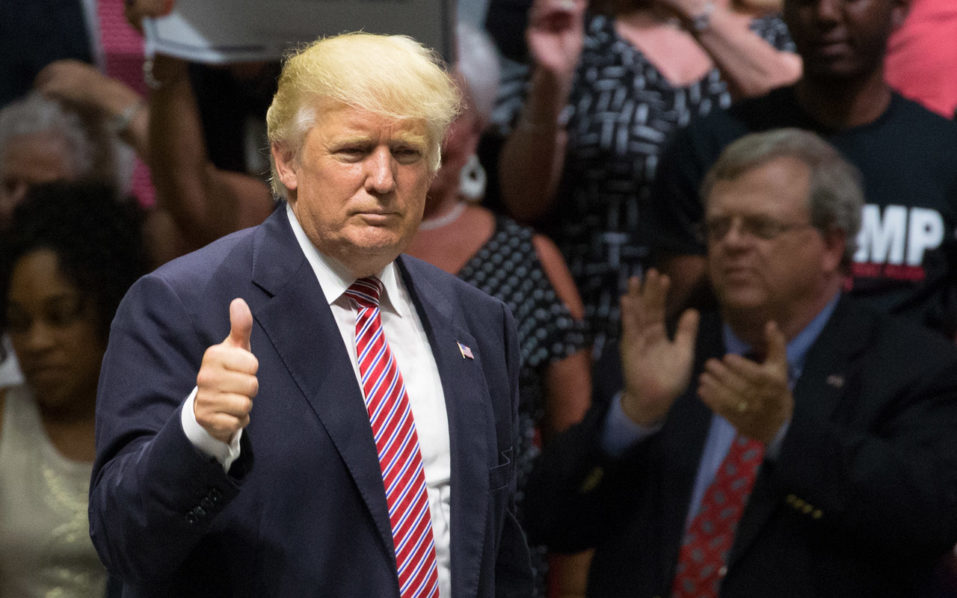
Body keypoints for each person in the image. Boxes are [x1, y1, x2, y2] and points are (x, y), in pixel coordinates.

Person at [89, 32, 533, 597]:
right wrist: (198, 435)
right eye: (353, 151)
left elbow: (497, 553)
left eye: (407, 153)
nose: (382, 180)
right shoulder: (181, 305)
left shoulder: (479, 322)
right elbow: (122, 542)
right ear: (287, 160)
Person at [522, 128, 957, 597]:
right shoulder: (664, 351)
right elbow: (550, 520)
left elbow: (927, 521)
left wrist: (786, 435)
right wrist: (631, 418)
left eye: (761, 227)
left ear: (833, 245)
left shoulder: (912, 365)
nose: (732, 243)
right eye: (718, 226)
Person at [495, 0, 800, 358]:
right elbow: (523, 201)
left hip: (739, 314)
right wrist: (551, 82)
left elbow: (801, 122)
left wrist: (692, 10)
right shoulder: (584, 37)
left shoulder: (774, 32)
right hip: (603, 310)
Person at [405, 22, 591, 596]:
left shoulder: (529, 258)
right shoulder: (336, 252)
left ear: (481, 125)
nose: (425, 126)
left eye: (447, 109)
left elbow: (574, 445)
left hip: (503, 555)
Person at [645, 0, 957, 338]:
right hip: (743, 379)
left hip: (911, 384)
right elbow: (678, 317)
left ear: (898, 9)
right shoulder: (713, 145)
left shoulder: (946, 152)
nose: (825, 14)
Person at [0, 181, 146, 597]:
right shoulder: (4, 417)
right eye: (18, 321)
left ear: (109, 307)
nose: (36, 342)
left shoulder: (160, 418)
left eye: (61, 315)